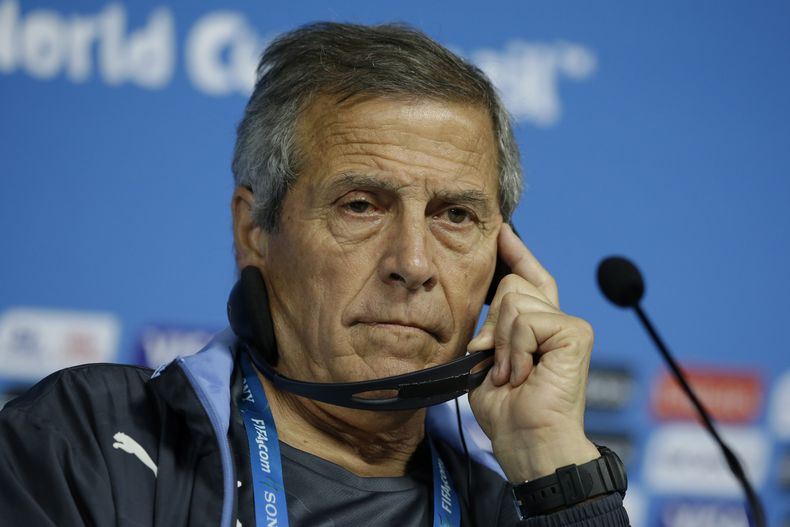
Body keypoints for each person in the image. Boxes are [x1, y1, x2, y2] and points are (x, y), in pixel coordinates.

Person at [0, 22, 629, 527]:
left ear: (503, 263)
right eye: (360, 205)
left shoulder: (518, 511)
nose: (412, 263)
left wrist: (555, 471)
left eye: (456, 215)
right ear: (255, 230)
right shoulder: (88, 443)